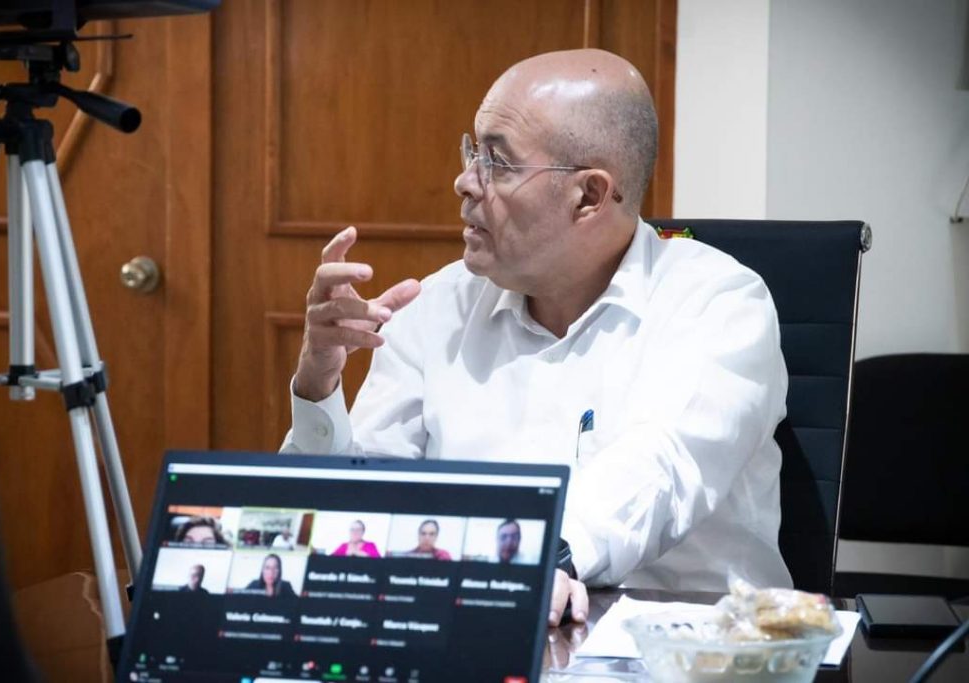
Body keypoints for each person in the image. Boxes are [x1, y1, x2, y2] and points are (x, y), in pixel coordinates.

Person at [281, 49, 791, 626]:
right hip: (482, 634)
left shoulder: (719, 304)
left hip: (689, 648)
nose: (464, 182)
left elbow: (659, 470)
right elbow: (361, 513)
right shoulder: (435, 306)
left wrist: (536, 561)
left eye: (497, 162)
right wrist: (319, 385)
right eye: (472, 152)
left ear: (589, 196)